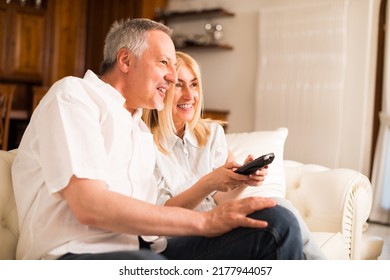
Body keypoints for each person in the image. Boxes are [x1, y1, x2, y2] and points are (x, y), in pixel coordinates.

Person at [11, 18, 303, 260]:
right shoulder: (74, 96)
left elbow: (158, 218)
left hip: (144, 252)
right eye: (164, 62)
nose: (173, 77)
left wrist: (224, 200)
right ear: (125, 60)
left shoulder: (138, 132)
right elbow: (89, 205)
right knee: (146, 262)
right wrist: (207, 221)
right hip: (71, 256)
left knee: (277, 223)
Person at [143, 51, 326, 260]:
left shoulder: (210, 135)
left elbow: (222, 199)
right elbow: (162, 214)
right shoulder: (145, 143)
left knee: (278, 205)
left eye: (194, 84)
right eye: (178, 85)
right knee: (277, 218)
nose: (189, 95)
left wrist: (242, 180)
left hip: (217, 226)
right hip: (176, 240)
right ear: (162, 89)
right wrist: (209, 183)